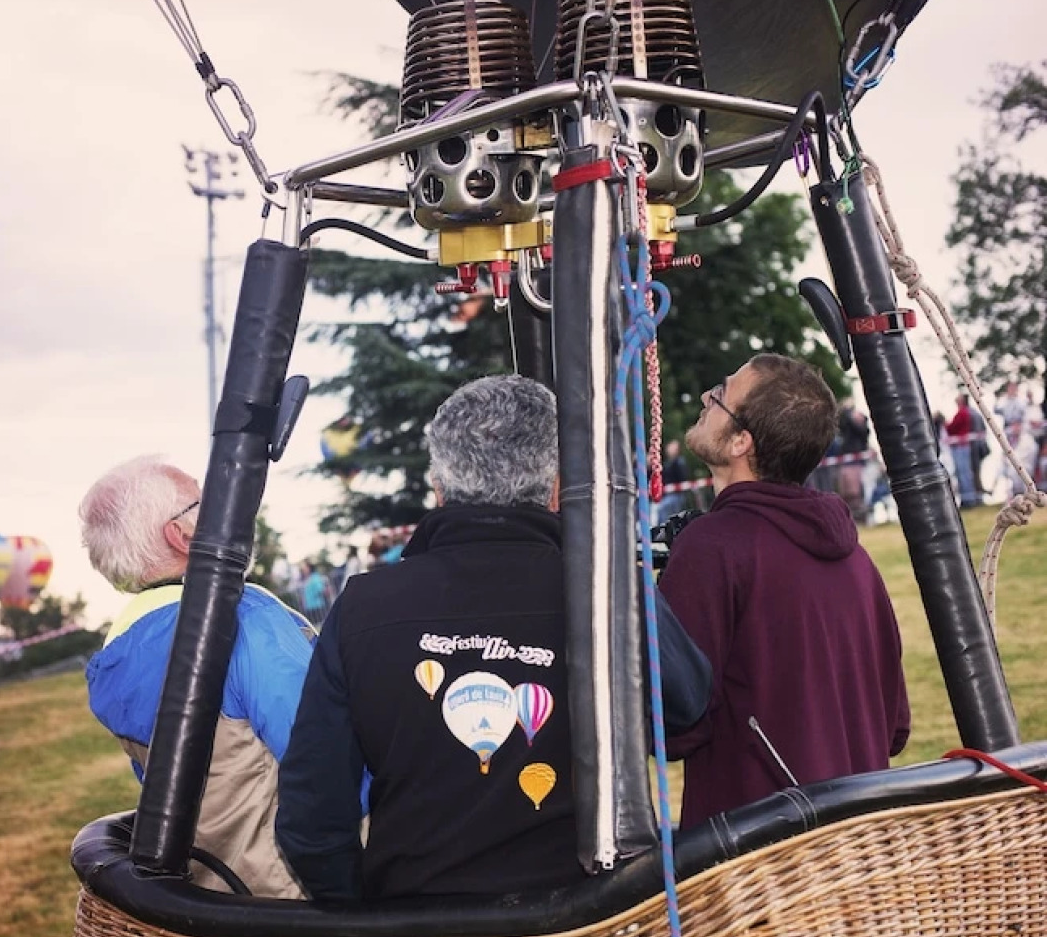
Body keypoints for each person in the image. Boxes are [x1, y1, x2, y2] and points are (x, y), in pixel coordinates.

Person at [276, 376, 711, 901]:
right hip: (590, 924)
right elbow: (688, 703)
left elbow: (311, 818)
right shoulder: (605, 585)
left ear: (437, 487)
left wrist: (367, 920)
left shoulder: (362, 606)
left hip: (421, 933)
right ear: (557, 485)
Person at [662, 354, 910, 831]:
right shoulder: (858, 561)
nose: (704, 399)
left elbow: (673, 722)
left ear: (741, 441)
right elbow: (893, 725)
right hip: (856, 850)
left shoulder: (712, 548)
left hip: (758, 857)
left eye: (720, 394)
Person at [79, 455, 316, 898]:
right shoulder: (241, 617)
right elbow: (325, 755)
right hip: (299, 892)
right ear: (182, 534)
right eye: (203, 503)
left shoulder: (116, 653)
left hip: (211, 885)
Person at [947, 394, 982, 507]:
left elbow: (951, 428)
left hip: (961, 447)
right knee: (965, 473)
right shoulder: (969, 413)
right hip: (965, 445)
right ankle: (969, 497)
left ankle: (968, 499)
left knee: (963, 473)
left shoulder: (962, 413)